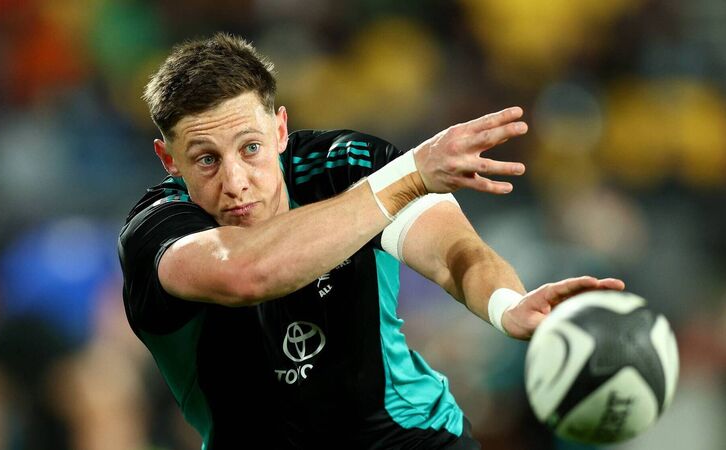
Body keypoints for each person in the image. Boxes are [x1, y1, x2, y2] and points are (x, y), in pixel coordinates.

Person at [118, 33, 624, 450]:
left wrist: (506, 305)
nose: (235, 182)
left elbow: (454, 254)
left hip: (410, 437)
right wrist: (407, 178)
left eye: (250, 148)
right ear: (169, 159)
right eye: (206, 159)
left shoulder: (346, 164)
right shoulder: (155, 232)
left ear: (280, 130)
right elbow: (246, 273)